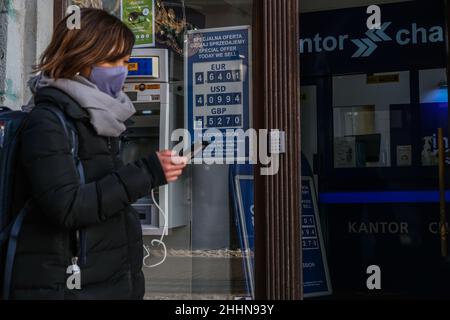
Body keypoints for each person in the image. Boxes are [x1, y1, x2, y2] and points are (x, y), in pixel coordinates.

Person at [11, 8, 186, 300]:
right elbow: (67, 207)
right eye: (112, 60)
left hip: (105, 282)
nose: (120, 69)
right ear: (81, 57)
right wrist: (148, 172)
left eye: (125, 61)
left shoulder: (103, 118)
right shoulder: (47, 121)